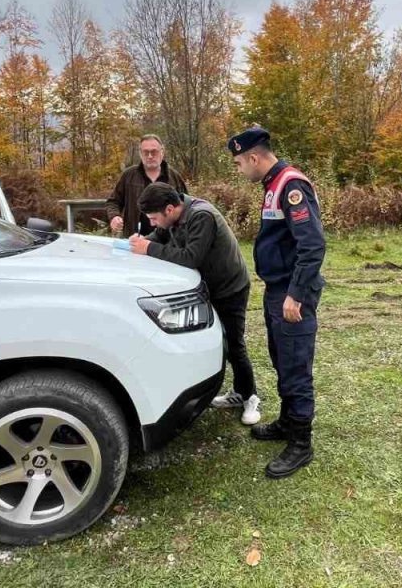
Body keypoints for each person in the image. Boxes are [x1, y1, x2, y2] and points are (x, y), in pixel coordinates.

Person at [228, 126, 325, 479]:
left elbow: (312, 246)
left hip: (290, 293)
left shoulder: (290, 185)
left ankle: (301, 443)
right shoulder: (272, 184)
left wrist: (296, 294)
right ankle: (287, 422)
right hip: (277, 291)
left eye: (239, 163)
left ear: (254, 157)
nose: (239, 170)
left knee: (295, 365)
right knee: (282, 359)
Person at [129, 183, 261, 426]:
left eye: (154, 218)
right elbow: (157, 237)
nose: (154, 223)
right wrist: (141, 242)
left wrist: (148, 248)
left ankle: (249, 396)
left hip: (230, 288)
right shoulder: (173, 218)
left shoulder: (202, 216)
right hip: (208, 288)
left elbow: (191, 257)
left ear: (169, 209)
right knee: (216, 342)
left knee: (233, 343)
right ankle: (237, 392)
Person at [104, 135, 188, 238]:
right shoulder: (128, 175)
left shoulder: (174, 177)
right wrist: (114, 217)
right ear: (140, 154)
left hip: (168, 241)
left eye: (154, 152)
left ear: (162, 152)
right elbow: (113, 201)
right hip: (134, 237)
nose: (150, 156)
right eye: (145, 152)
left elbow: (184, 207)